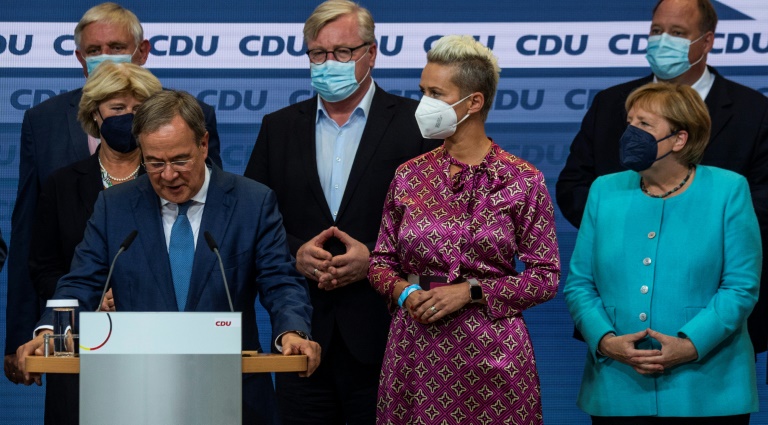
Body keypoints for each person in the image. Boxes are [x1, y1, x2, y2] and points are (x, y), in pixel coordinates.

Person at [17, 90, 319, 425]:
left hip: (230, 390)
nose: (169, 175)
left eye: (180, 160)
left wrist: (292, 331)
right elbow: (81, 281)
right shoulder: (115, 206)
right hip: (139, 391)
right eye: (155, 163)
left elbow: (280, 280)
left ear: (203, 144)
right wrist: (48, 331)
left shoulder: (252, 202)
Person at [4, 2, 223, 385]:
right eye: (94, 50)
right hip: (74, 336)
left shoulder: (189, 116)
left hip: (173, 336)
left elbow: (212, 219)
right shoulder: (43, 121)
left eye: (117, 47)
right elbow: (30, 243)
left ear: (142, 51)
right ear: (79, 58)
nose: (105, 58)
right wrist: (23, 335)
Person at [243, 1, 439, 423]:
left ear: (372, 53)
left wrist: (375, 259)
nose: (329, 63)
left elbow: (439, 227)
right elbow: (252, 221)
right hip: (300, 336)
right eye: (318, 53)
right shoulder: (278, 127)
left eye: (343, 52)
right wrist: (294, 253)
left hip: (389, 334)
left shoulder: (417, 124)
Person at [556, 0, 768, 354]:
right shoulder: (611, 103)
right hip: (618, 317)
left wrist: (690, 233)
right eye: (657, 30)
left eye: (678, 33)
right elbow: (574, 187)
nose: (663, 40)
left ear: (707, 41)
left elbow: (763, 198)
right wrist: (628, 226)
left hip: (716, 319)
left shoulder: (755, 111)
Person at [369, 35, 560, 425]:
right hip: (415, 348)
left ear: (474, 102)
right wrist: (404, 291)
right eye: (423, 91)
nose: (423, 103)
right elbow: (380, 263)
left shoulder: (523, 180)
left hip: (493, 353)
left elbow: (545, 278)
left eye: (436, 94)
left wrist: (471, 291)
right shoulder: (408, 175)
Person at [564, 82, 759, 424]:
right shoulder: (603, 190)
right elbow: (580, 284)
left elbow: (741, 287)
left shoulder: (729, 190)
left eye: (644, 124)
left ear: (679, 139)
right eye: (629, 122)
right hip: (617, 389)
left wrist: (690, 344)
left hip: (707, 391)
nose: (630, 133)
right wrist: (605, 341)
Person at [27, 61, 162, 424]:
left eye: (138, 108)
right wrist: (90, 299)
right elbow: (43, 268)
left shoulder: (168, 181)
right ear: (94, 114)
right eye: (118, 108)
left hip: (155, 344)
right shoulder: (61, 184)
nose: (129, 117)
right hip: (79, 342)